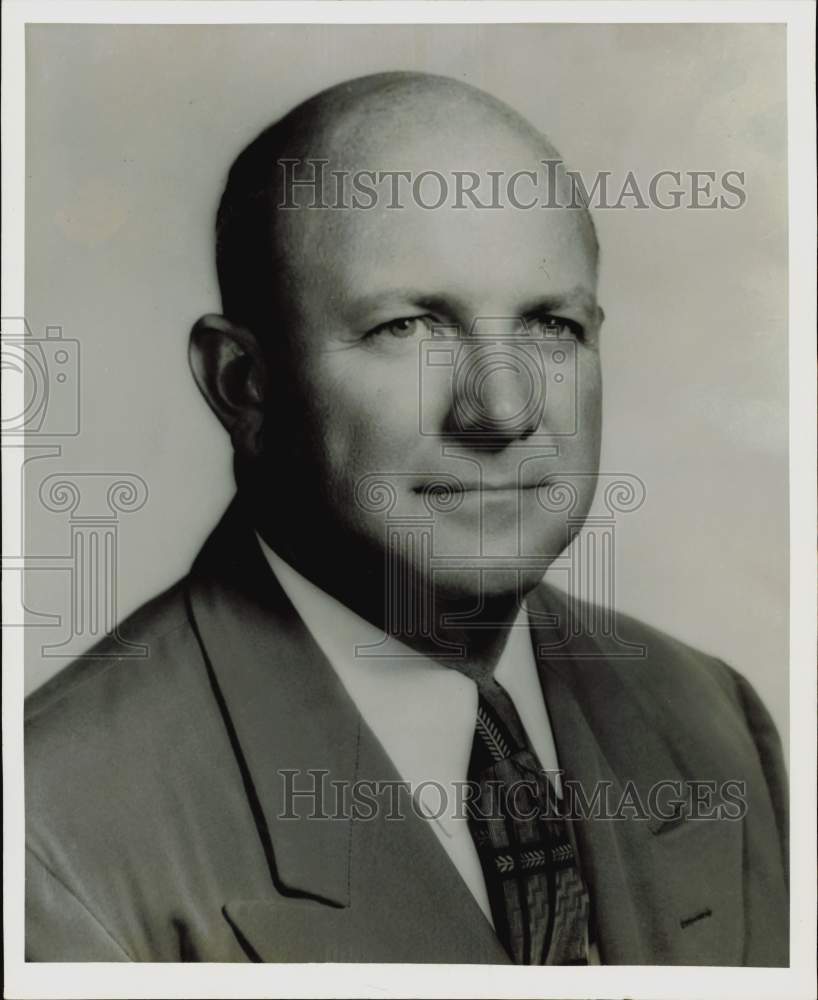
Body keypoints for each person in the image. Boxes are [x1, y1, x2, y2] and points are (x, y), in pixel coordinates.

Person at [25, 72, 788, 965]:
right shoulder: (52, 833)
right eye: (411, 326)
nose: (502, 410)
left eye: (551, 325)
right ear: (244, 383)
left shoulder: (713, 717)